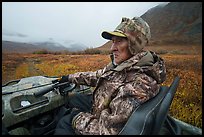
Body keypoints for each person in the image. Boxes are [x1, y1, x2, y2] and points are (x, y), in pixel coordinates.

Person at [54, 16, 166, 135]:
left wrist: (76, 118)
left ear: (134, 45)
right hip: (99, 106)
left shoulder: (137, 85)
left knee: (64, 122)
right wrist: (70, 77)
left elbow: (107, 132)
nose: (112, 48)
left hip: (102, 122)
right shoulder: (123, 66)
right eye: (113, 41)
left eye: (119, 41)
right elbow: (98, 76)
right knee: (74, 99)